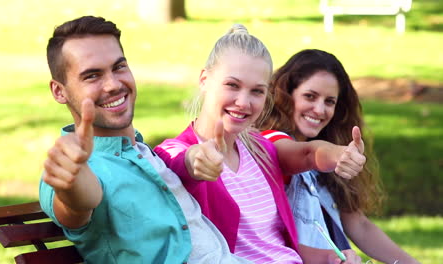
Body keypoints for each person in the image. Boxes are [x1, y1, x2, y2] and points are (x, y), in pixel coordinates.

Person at [39, 15, 252, 264]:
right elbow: (78, 204)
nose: (113, 84)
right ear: (59, 91)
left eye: (119, 67)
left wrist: (195, 158)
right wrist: (72, 180)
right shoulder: (72, 166)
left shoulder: (141, 152)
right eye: (92, 76)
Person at [154, 25, 365, 264]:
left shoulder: (259, 148)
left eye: (257, 91)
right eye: (232, 85)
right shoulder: (173, 151)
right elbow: (183, 162)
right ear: (204, 80)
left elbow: (308, 153)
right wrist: (196, 160)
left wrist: (340, 154)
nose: (243, 102)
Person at [258, 49, 420, 264]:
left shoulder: (325, 159)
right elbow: (309, 154)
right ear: (286, 94)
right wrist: (338, 154)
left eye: (330, 101)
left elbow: (359, 225)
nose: (319, 109)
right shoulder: (270, 142)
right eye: (310, 96)